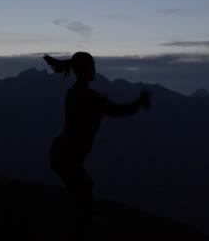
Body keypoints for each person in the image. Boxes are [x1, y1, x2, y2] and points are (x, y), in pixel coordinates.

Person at [43, 52, 151, 240]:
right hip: (67, 157)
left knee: (83, 193)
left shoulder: (76, 93)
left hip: (62, 154)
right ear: (85, 70)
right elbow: (117, 111)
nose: (95, 70)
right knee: (84, 199)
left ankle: (77, 226)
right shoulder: (87, 96)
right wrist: (139, 103)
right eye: (92, 67)